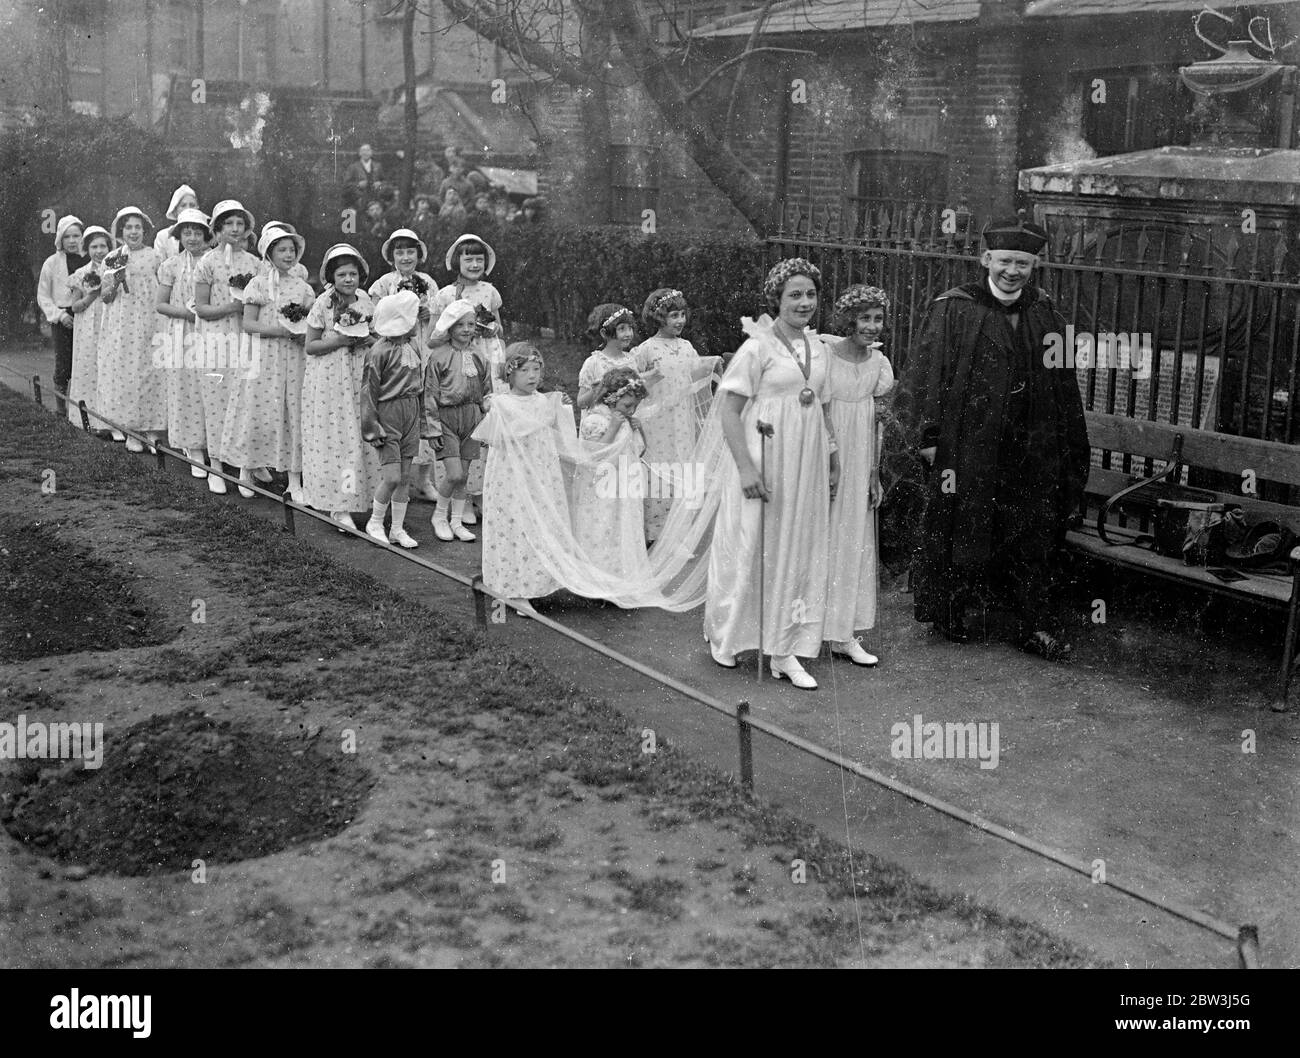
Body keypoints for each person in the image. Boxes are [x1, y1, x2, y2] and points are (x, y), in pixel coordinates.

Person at [898, 214, 1090, 660]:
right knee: (966, 523)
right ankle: (955, 611)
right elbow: (928, 377)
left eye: (1022, 264)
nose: (1012, 271)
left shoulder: (1045, 312)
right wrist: (930, 437)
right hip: (971, 441)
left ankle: (1031, 624)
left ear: (1033, 266)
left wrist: (1064, 445)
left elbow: (1063, 384)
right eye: (1005, 261)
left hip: (1031, 443)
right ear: (986, 258)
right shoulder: (953, 308)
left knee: (1032, 531)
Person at [704, 258, 839, 690]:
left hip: (807, 463)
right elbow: (728, 411)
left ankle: (785, 648)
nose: (804, 302)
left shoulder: (819, 348)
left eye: (810, 294)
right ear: (777, 300)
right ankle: (725, 635)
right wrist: (745, 467)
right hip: (763, 457)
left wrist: (832, 459)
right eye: (794, 295)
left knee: (797, 550)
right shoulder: (757, 346)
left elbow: (822, 406)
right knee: (751, 546)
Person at [823, 285, 895, 667]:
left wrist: (873, 474)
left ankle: (843, 633)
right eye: (864, 318)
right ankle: (802, 627)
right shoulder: (824, 354)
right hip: (824, 452)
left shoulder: (879, 365)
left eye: (877, 318)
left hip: (859, 458)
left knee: (852, 538)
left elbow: (876, 426)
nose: (871, 326)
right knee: (818, 536)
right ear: (848, 320)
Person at [221, 224, 314, 499]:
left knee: (292, 411)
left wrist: (300, 335)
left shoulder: (304, 288)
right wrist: (280, 332)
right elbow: (248, 323)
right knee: (257, 410)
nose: (288, 255)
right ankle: (247, 470)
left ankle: (294, 479)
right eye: (281, 250)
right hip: (262, 356)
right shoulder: (258, 284)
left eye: (292, 250)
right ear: (269, 254)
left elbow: (310, 323)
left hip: (293, 359)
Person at [301, 244, 382, 531]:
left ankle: (361, 496)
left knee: (360, 433)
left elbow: (376, 336)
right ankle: (338, 505)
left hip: (359, 372)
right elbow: (311, 346)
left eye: (353, 274)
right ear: (331, 277)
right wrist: (338, 340)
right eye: (342, 274)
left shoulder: (366, 301)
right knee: (337, 438)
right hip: (330, 377)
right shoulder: (324, 303)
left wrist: (366, 339)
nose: (348, 280)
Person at [632, 288, 721, 540]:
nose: (680, 320)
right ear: (659, 318)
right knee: (658, 468)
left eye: (682, 314)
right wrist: (650, 378)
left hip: (681, 417)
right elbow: (634, 384)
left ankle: (679, 531)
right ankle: (654, 532)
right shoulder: (646, 350)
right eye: (673, 315)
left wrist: (710, 365)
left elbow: (694, 377)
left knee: (682, 465)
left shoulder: (687, 347)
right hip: (656, 419)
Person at [193, 199, 260, 493]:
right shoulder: (207, 262)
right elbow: (201, 308)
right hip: (215, 339)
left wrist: (246, 310)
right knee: (216, 399)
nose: (235, 229)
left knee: (246, 400)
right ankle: (216, 467)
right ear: (218, 229)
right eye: (228, 223)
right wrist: (232, 308)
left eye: (239, 223)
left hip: (245, 338)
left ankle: (245, 469)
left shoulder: (256, 264)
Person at [369, 228, 439, 501]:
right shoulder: (384, 283)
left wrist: (427, 313)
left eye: (411, 251)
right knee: (400, 413)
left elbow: (438, 320)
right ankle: (396, 482)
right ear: (392, 256)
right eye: (400, 252)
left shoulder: (427, 282)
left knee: (426, 411)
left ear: (419, 255)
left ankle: (424, 479)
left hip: (423, 347)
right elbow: (375, 318)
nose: (406, 257)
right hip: (398, 353)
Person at [574, 367, 655, 581]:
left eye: (635, 406)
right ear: (610, 398)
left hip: (624, 487)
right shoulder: (596, 421)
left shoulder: (626, 419)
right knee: (603, 529)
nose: (631, 410)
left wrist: (639, 429)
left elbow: (640, 450)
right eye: (628, 405)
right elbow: (593, 456)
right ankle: (599, 579)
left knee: (622, 530)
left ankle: (621, 578)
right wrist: (613, 428)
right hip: (602, 490)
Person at [422, 299, 492, 542]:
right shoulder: (438, 357)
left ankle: (457, 521)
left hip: (471, 417)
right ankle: (439, 516)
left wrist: (486, 422)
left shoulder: (480, 356)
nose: (466, 329)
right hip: (447, 419)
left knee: (464, 475)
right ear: (450, 328)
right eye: (460, 324)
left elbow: (486, 392)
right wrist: (432, 430)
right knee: (453, 474)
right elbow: (429, 395)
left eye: (471, 324)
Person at [95, 207, 163, 452]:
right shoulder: (111, 258)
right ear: (120, 231)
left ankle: (153, 431)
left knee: (151, 373)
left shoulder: (155, 256)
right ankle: (132, 430)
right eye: (128, 227)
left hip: (150, 321)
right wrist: (115, 280)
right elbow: (105, 297)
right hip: (123, 325)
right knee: (128, 374)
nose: (133, 232)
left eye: (138, 227)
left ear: (144, 231)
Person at [362, 290, 425, 548]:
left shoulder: (412, 346)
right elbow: (368, 391)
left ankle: (397, 528)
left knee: (405, 475)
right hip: (388, 413)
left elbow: (419, 383)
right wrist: (372, 428)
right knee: (392, 477)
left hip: (410, 411)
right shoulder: (378, 351)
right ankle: (375, 521)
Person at [155, 208, 214, 478]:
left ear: (206, 234)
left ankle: (216, 446)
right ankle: (193, 448)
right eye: (186, 232)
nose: (192, 237)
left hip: (214, 332)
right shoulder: (170, 266)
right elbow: (161, 305)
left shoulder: (215, 262)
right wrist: (190, 314)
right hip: (183, 332)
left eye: (197, 232)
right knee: (186, 388)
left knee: (213, 386)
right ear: (179, 235)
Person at [36, 214, 87, 417]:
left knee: (86, 361)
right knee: (64, 363)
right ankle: (60, 408)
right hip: (64, 317)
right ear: (60, 239)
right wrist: (59, 315)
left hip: (86, 314)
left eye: (76, 236)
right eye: (68, 237)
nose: (72, 241)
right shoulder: (52, 263)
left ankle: (85, 408)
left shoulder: (89, 258)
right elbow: (43, 295)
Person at [65, 225, 111, 429]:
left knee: (109, 370)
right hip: (88, 327)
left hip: (110, 325)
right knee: (89, 369)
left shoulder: (115, 271)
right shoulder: (81, 273)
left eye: (103, 246)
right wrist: (92, 294)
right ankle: (89, 419)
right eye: (94, 246)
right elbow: (75, 306)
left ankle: (110, 421)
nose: (99, 251)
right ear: (87, 248)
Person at [577, 304, 649, 411]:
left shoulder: (633, 360)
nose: (628, 333)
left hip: (626, 421)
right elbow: (581, 402)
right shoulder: (594, 363)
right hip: (602, 422)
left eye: (630, 328)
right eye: (622, 329)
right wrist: (599, 389)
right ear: (604, 333)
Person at [153, 184, 200, 258]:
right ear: (175, 210)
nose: (188, 209)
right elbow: (159, 265)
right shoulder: (163, 237)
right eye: (183, 205)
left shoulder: (205, 234)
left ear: (197, 208)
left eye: (192, 205)